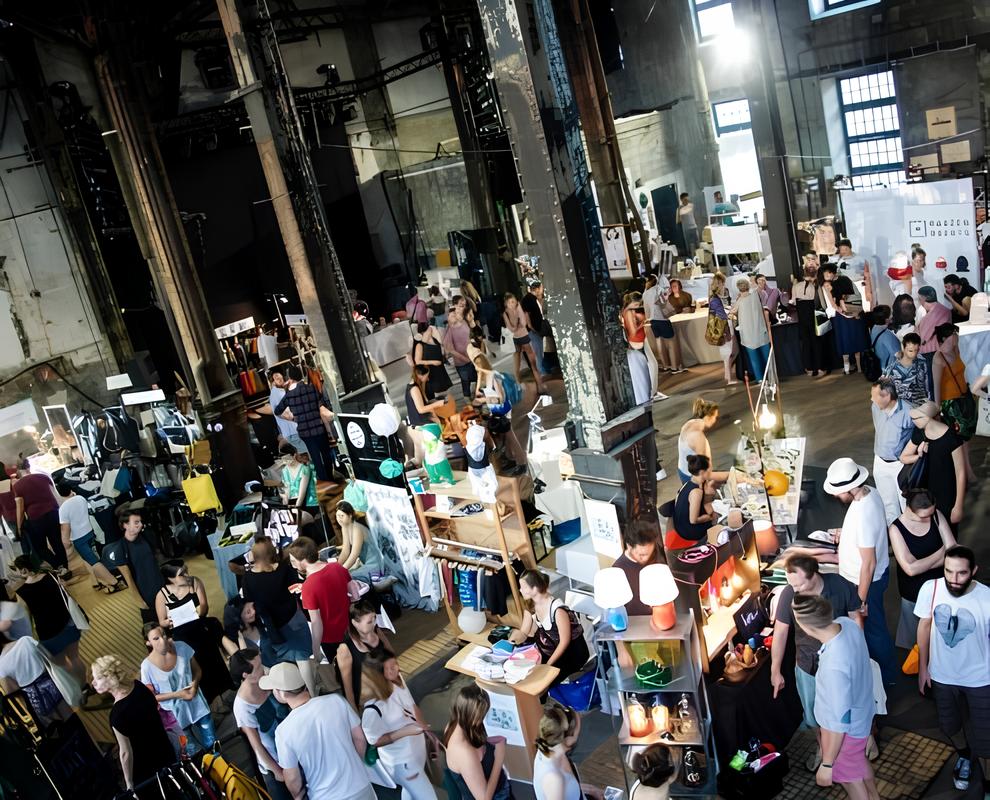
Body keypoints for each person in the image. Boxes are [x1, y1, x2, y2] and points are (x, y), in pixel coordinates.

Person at [770, 555, 863, 772]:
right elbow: (781, 632)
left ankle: (857, 747)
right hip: (807, 664)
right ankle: (824, 750)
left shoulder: (839, 585)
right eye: (791, 583)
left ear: (815, 574)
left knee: (848, 709)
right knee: (813, 716)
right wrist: (775, 670)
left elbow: (855, 618)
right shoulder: (789, 594)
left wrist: (859, 653)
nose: (795, 588)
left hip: (841, 662)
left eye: (800, 583)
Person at [915, 545, 990, 796]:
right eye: (949, 571)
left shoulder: (987, 597)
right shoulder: (931, 589)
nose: (954, 579)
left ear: (974, 571)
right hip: (942, 675)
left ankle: (987, 782)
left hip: (981, 678)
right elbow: (924, 627)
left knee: (986, 737)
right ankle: (965, 757)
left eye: (961, 573)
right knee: (949, 726)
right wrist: (923, 667)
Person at [791, 595, 878, 800]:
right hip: (863, 712)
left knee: (849, 778)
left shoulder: (833, 667)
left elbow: (839, 722)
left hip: (850, 729)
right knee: (858, 764)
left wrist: (827, 763)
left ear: (807, 628)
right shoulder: (846, 624)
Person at [822, 458, 896, 686]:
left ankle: (885, 680)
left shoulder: (863, 514)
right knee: (876, 629)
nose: (835, 496)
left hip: (865, 583)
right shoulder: (869, 492)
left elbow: (868, 564)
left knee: (874, 632)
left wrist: (860, 601)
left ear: (848, 488)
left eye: (837, 491)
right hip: (871, 577)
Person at [262, 661, 375, 800]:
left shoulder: (283, 731)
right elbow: (359, 739)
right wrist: (356, 767)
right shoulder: (336, 700)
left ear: (281, 694)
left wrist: (298, 796)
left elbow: (292, 778)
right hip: (361, 786)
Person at [92, 654, 174, 798]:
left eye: (97, 678)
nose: (93, 683)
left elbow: (125, 753)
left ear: (110, 678)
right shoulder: (139, 686)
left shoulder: (117, 715)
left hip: (147, 772)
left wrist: (129, 785)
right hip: (166, 752)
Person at [240, 538, 316, 693]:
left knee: (274, 664)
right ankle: (313, 693)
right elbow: (296, 589)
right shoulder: (284, 569)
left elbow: (249, 601)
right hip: (292, 620)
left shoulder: (247, 578)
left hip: (269, 626)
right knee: (302, 659)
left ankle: (287, 695)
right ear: (271, 552)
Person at [360, 649, 436, 800]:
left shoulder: (397, 679)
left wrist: (426, 732)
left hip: (415, 751)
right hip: (403, 762)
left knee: (409, 794)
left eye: (396, 663)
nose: (397, 668)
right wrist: (406, 731)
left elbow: (412, 705)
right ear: (377, 675)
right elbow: (374, 740)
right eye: (390, 667)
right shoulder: (373, 708)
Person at [153, 560, 231, 704]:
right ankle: (211, 700)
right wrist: (169, 621)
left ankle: (225, 692)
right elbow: (161, 621)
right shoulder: (162, 595)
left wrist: (194, 612)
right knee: (197, 667)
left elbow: (204, 607)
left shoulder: (195, 583)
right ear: (170, 578)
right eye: (182, 574)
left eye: (186, 570)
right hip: (183, 636)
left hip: (199, 628)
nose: (187, 575)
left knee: (214, 660)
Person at [888, 489, 956, 649]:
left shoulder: (936, 515)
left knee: (942, 637)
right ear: (910, 509)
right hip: (913, 592)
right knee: (915, 643)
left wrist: (920, 564)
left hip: (940, 586)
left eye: (931, 514)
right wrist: (941, 552)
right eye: (923, 516)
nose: (928, 518)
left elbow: (952, 552)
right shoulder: (896, 529)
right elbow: (910, 570)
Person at [11, 555, 87, 688]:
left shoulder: (21, 592)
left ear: (23, 570)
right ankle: (85, 686)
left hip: (48, 634)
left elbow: (25, 618)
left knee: (61, 664)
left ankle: (75, 690)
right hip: (68, 624)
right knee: (75, 658)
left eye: (16, 569)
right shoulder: (51, 576)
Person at [140, 623, 215, 753]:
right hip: (175, 715)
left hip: (197, 703)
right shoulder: (146, 667)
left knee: (213, 744)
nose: (162, 640)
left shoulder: (181, 647)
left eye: (163, 635)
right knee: (194, 752)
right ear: (148, 643)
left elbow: (197, 670)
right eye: (156, 639)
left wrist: (195, 684)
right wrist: (178, 694)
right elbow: (151, 697)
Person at [230, 648, 291, 800]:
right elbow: (256, 745)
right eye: (257, 668)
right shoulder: (242, 706)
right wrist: (277, 771)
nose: (263, 669)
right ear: (245, 675)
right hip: (274, 762)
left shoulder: (266, 678)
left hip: (293, 749)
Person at [510, 569, 589, 685]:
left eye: (523, 587)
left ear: (535, 588)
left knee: (539, 680)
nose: (520, 590)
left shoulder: (558, 610)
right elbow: (524, 632)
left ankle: (544, 699)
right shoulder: (530, 605)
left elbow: (564, 642)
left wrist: (547, 666)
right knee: (524, 673)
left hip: (572, 654)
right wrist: (513, 639)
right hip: (552, 649)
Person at [285, 536, 351, 668]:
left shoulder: (309, 586)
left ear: (302, 560)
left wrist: (315, 651)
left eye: (293, 560)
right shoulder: (337, 567)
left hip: (332, 638)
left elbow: (316, 623)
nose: (291, 564)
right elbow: (353, 593)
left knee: (344, 674)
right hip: (351, 628)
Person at [900, 401, 964, 529]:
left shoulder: (951, 438)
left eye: (917, 418)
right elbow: (903, 457)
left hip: (947, 494)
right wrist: (920, 455)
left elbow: (960, 473)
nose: (913, 421)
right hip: (925, 493)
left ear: (928, 418)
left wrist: (958, 506)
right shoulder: (920, 433)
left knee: (948, 531)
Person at [444, 683, 510, 800]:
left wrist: (488, 742)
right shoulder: (464, 753)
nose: (483, 719)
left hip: (500, 788)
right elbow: (484, 798)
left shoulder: (454, 724)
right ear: (473, 717)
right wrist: (499, 759)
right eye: (482, 716)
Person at [55, 481, 124, 592]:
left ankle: (115, 583)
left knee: (93, 562)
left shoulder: (63, 509)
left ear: (59, 494)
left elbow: (65, 528)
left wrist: (65, 541)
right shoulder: (80, 498)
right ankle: (96, 582)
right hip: (89, 532)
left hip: (79, 539)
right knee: (88, 559)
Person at [273, 365, 336, 482]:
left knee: (316, 457)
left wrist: (292, 418)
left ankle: (325, 481)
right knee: (326, 453)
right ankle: (330, 476)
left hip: (304, 431)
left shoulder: (289, 396)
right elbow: (321, 401)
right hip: (318, 427)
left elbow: (277, 411)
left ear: (290, 378)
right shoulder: (311, 388)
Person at [932, 322, 977, 483]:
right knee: (960, 439)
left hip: (964, 398)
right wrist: (937, 408)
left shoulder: (957, 350)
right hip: (950, 404)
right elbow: (936, 384)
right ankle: (966, 473)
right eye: (953, 335)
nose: (956, 337)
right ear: (945, 338)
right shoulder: (939, 357)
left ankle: (967, 471)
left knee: (966, 438)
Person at [533, 704, 604, 800]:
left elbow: (568, 787)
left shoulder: (551, 749)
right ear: (569, 737)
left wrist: (591, 790)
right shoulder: (553, 779)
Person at [0, 631, 72, 723]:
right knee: (69, 715)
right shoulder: (25, 640)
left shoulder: (1, 665)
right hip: (52, 683)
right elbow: (49, 657)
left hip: (34, 698)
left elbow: (12, 691)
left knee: (55, 727)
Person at [869, 379, 915, 525]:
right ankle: (896, 539)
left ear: (887, 396)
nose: (871, 399)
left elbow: (920, 434)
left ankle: (911, 536)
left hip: (900, 466)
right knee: (888, 505)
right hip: (880, 462)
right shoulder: (875, 407)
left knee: (906, 504)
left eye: (874, 396)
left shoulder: (908, 412)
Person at [334, 598, 391, 712]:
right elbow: (348, 687)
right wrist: (354, 711)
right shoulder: (345, 649)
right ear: (355, 623)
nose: (374, 623)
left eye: (375, 618)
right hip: (367, 702)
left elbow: (390, 655)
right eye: (369, 621)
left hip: (385, 693)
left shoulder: (376, 631)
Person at [13, 467, 68, 577]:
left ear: (18, 473)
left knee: (40, 547)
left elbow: (20, 507)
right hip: (53, 513)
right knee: (57, 542)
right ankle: (65, 568)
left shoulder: (17, 486)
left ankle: (58, 566)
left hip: (36, 518)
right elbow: (55, 494)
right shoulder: (43, 477)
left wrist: (19, 527)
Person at [110, 507, 166, 614]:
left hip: (161, 587)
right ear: (125, 525)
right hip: (146, 593)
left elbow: (157, 560)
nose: (140, 525)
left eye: (140, 522)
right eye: (136, 522)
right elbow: (129, 579)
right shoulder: (121, 549)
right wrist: (139, 600)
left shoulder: (147, 536)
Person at [612, 519, 663, 618]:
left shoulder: (654, 556)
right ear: (629, 546)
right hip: (637, 624)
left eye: (650, 553)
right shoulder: (618, 572)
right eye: (642, 555)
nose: (646, 558)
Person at [667, 455, 718, 551]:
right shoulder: (696, 492)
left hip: (679, 522)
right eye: (709, 469)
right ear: (702, 472)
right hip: (688, 530)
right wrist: (710, 517)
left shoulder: (687, 483)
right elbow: (693, 520)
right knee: (719, 521)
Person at [503, 292, 544, 393]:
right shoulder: (506, 313)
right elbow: (514, 327)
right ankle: (520, 382)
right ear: (506, 304)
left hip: (522, 336)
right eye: (510, 302)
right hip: (518, 337)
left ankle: (539, 384)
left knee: (531, 361)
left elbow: (521, 324)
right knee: (521, 361)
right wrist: (517, 322)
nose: (513, 304)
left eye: (514, 302)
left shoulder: (517, 308)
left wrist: (517, 319)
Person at [676, 398, 725, 483]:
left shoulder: (689, 424)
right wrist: (730, 475)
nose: (715, 420)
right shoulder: (698, 436)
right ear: (709, 417)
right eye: (715, 417)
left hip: (682, 471)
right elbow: (703, 472)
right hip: (693, 478)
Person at [643, 274, 682, 378]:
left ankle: (665, 366)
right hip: (662, 319)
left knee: (659, 342)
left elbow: (646, 309)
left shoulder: (645, 293)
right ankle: (674, 367)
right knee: (670, 344)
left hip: (652, 321)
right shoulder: (658, 290)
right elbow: (665, 303)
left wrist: (648, 318)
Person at [333, 501, 383, 579]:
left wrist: (342, 571)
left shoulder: (357, 528)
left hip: (374, 564)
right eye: (337, 516)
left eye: (342, 516)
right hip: (366, 563)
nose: (339, 519)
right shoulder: (344, 527)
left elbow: (354, 555)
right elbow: (345, 551)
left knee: (347, 577)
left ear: (350, 515)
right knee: (342, 575)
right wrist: (336, 568)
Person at [261, 367, 306, 454]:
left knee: (309, 455)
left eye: (278, 376)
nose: (278, 378)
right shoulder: (278, 393)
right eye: (275, 377)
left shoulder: (279, 392)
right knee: (310, 454)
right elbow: (286, 414)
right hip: (294, 432)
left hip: (293, 432)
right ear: (272, 381)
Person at [733, 278, 772, 381]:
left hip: (748, 335)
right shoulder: (755, 295)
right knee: (767, 357)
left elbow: (732, 312)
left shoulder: (739, 301)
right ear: (748, 286)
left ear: (738, 288)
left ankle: (760, 379)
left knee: (754, 359)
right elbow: (759, 286)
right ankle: (771, 376)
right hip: (760, 331)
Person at [622, 291, 656, 404]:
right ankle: (647, 395)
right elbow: (633, 332)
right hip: (636, 343)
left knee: (647, 369)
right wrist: (643, 323)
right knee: (645, 371)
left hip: (639, 342)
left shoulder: (629, 312)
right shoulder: (628, 313)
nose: (638, 306)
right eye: (637, 304)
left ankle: (648, 393)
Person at [793, 257, 825, 376]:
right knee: (812, 340)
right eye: (809, 264)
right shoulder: (809, 284)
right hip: (809, 310)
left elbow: (793, 302)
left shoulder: (817, 283)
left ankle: (813, 367)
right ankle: (814, 367)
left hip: (810, 310)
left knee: (811, 341)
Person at [916, 286, 950, 393]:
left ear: (923, 299)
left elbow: (922, 339)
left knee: (932, 384)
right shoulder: (945, 311)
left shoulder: (930, 316)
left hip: (931, 353)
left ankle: (935, 406)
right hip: (943, 352)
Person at [831, 274, 867, 375]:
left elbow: (837, 306)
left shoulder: (836, 292)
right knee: (857, 341)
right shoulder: (853, 289)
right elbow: (859, 301)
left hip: (841, 319)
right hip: (855, 317)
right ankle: (859, 367)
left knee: (844, 342)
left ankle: (846, 368)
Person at [883, 332, 930, 407]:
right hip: (902, 409)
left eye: (916, 350)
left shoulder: (922, 362)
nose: (914, 354)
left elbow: (927, 385)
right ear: (903, 348)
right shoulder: (891, 368)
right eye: (910, 351)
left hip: (922, 406)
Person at [707, 272, 737, 386]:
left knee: (732, 352)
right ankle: (728, 378)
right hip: (723, 328)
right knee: (728, 353)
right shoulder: (714, 299)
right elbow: (720, 316)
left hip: (727, 326)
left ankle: (727, 375)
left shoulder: (722, 294)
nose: (723, 285)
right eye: (721, 283)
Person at [443, 304, 477, 400]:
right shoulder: (449, 330)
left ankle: (477, 394)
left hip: (472, 356)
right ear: (448, 318)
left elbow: (473, 331)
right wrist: (465, 358)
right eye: (452, 315)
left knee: (477, 376)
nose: (455, 315)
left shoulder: (464, 323)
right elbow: (451, 350)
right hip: (462, 362)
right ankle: (467, 399)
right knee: (465, 381)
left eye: (456, 313)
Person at [278, 443, 319, 521]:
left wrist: (296, 508)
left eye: (287, 459)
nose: (285, 461)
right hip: (292, 501)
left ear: (294, 455)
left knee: (296, 519)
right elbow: (287, 491)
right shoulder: (284, 470)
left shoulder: (304, 469)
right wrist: (286, 505)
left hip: (308, 502)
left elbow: (302, 494)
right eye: (283, 459)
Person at [415, 321, 454, 398]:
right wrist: (433, 362)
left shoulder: (435, 339)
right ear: (423, 333)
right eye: (428, 329)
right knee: (438, 395)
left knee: (446, 394)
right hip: (432, 373)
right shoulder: (420, 345)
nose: (430, 330)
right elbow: (417, 361)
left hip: (441, 370)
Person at [522, 281, 550, 377]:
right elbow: (527, 314)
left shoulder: (532, 299)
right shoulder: (529, 299)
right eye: (541, 288)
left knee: (539, 352)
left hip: (535, 329)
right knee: (539, 353)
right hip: (533, 330)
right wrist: (531, 327)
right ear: (537, 289)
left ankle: (543, 372)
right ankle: (542, 374)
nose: (542, 291)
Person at [835, 238, 874, 307]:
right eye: (841, 249)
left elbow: (867, 273)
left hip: (860, 284)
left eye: (845, 249)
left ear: (849, 248)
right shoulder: (839, 261)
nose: (843, 251)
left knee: (866, 305)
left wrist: (868, 290)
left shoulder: (860, 259)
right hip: (847, 287)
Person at [865, 306, 899, 371]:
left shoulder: (875, 327)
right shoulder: (887, 334)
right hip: (887, 368)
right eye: (890, 314)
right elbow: (895, 354)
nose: (892, 315)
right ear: (886, 319)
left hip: (879, 364)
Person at [678, 192, 700, 256]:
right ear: (681, 200)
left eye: (687, 199)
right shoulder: (680, 209)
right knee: (691, 245)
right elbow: (679, 220)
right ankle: (693, 258)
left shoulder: (691, 205)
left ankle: (699, 258)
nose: (687, 201)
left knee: (697, 243)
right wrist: (679, 211)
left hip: (694, 227)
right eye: (685, 200)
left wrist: (697, 224)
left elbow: (695, 215)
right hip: (687, 229)